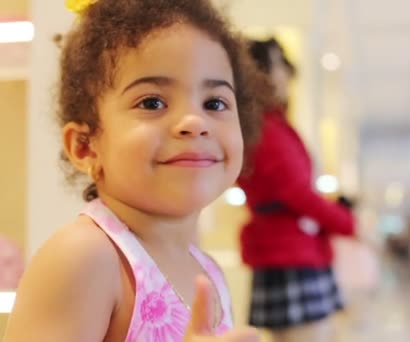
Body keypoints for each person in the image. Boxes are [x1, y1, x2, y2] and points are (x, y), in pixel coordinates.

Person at [4, 0, 268, 341]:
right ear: (85, 146)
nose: (194, 122)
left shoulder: (207, 269)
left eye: (214, 103)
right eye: (152, 102)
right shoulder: (85, 257)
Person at [238, 38, 356, 341]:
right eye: (277, 66)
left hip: (292, 249)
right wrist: (347, 222)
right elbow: (297, 194)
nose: (284, 76)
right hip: (288, 252)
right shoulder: (265, 127)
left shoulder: (269, 124)